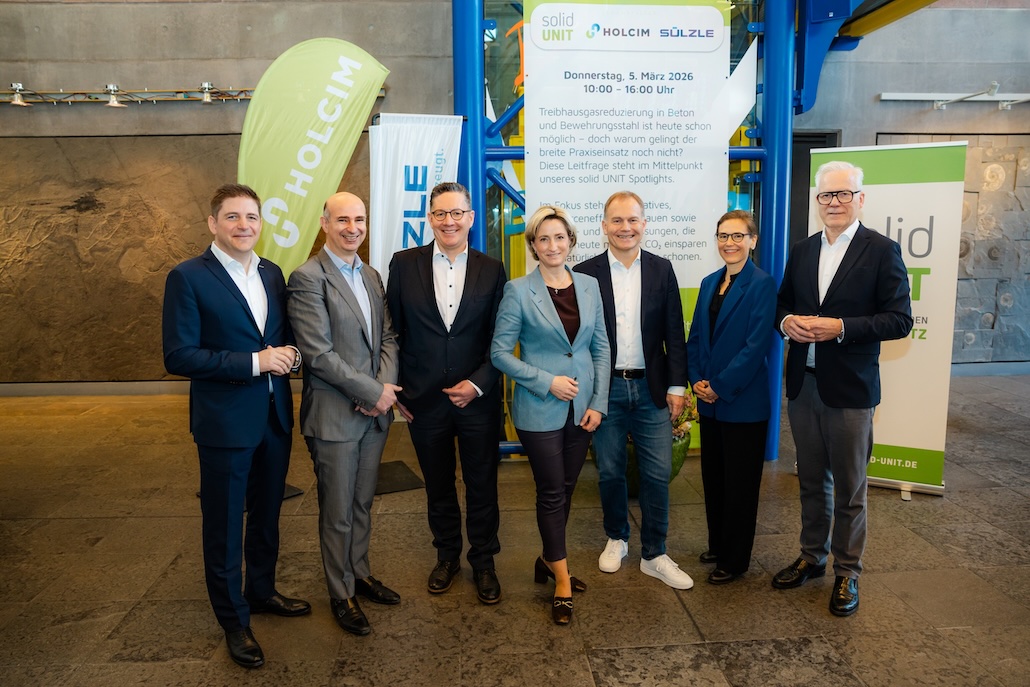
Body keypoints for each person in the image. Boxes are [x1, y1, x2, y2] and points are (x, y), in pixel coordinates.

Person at [162, 183, 310, 670]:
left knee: (266, 514)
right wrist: (254, 362)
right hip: (225, 423)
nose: (243, 225)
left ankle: (262, 591)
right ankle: (234, 621)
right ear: (213, 223)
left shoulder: (272, 273)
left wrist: (290, 355)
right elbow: (179, 355)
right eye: (232, 217)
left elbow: (281, 338)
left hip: (274, 416)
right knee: (225, 524)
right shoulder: (188, 277)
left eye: (251, 217)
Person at [772, 161, 913, 616]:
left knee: (850, 489)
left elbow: (900, 320)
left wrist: (842, 328)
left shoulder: (882, 250)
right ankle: (812, 556)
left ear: (860, 199)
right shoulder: (802, 249)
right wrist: (785, 322)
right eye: (826, 195)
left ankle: (848, 571)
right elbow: (783, 303)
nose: (834, 202)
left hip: (850, 391)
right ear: (817, 201)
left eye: (843, 194)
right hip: (804, 386)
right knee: (812, 482)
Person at [386, 182, 508, 605]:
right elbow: (392, 332)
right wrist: (397, 389)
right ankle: (447, 557)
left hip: (478, 399)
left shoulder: (493, 269)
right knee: (437, 485)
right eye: (440, 213)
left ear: (471, 218)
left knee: (482, 485)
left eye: (457, 213)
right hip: (424, 400)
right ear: (430, 218)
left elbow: (500, 337)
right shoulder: (404, 264)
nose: (449, 221)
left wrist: (478, 383)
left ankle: (484, 562)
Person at [287, 192, 402, 636]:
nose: (352, 228)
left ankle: (360, 572)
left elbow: (387, 337)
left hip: (373, 414)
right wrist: (371, 392)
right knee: (337, 511)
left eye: (359, 220)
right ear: (324, 223)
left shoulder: (370, 275)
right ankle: (341, 592)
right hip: (334, 415)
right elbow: (318, 354)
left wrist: (383, 393)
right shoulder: (308, 278)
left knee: (361, 503)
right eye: (342, 220)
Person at [491, 205, 610, 625]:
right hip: (538, 407)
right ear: (533, 246)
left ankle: (547, 560)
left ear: (571, 241)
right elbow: (500, 353)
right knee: (552, 491)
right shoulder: (518, 291)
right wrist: (547, 381)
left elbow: (600, 347)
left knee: (567, 486)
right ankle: (562, 579)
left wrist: (598, 402)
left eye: (559, 237)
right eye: (543, 238)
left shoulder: (590, 286)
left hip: (583, 407)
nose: (552, 245)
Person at [573, 191, 693, 590]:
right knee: (609, 471)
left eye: (633, 220)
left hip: (651, 388)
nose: (626, 227)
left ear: (644, 224)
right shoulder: (584, 273)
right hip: (605, 390)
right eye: (617, 220)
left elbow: (674, 331)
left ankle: (655, 553)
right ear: (604, 225)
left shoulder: (662, 269)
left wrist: (677, 385)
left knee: (657, 474)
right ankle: (617, 537)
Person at [686, 210, 776, 585]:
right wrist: (696, 380)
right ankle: (718, 544)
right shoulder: (710, 282)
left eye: (738, 236)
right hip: (710, 403)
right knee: (715, 479)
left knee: (740, 485)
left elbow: (755, 348)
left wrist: (719, 386)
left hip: (743, 403)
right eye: (723, 236)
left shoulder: (762, 284)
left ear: (752, 241)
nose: (729, 243)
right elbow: (696, 338)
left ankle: (735, 559)